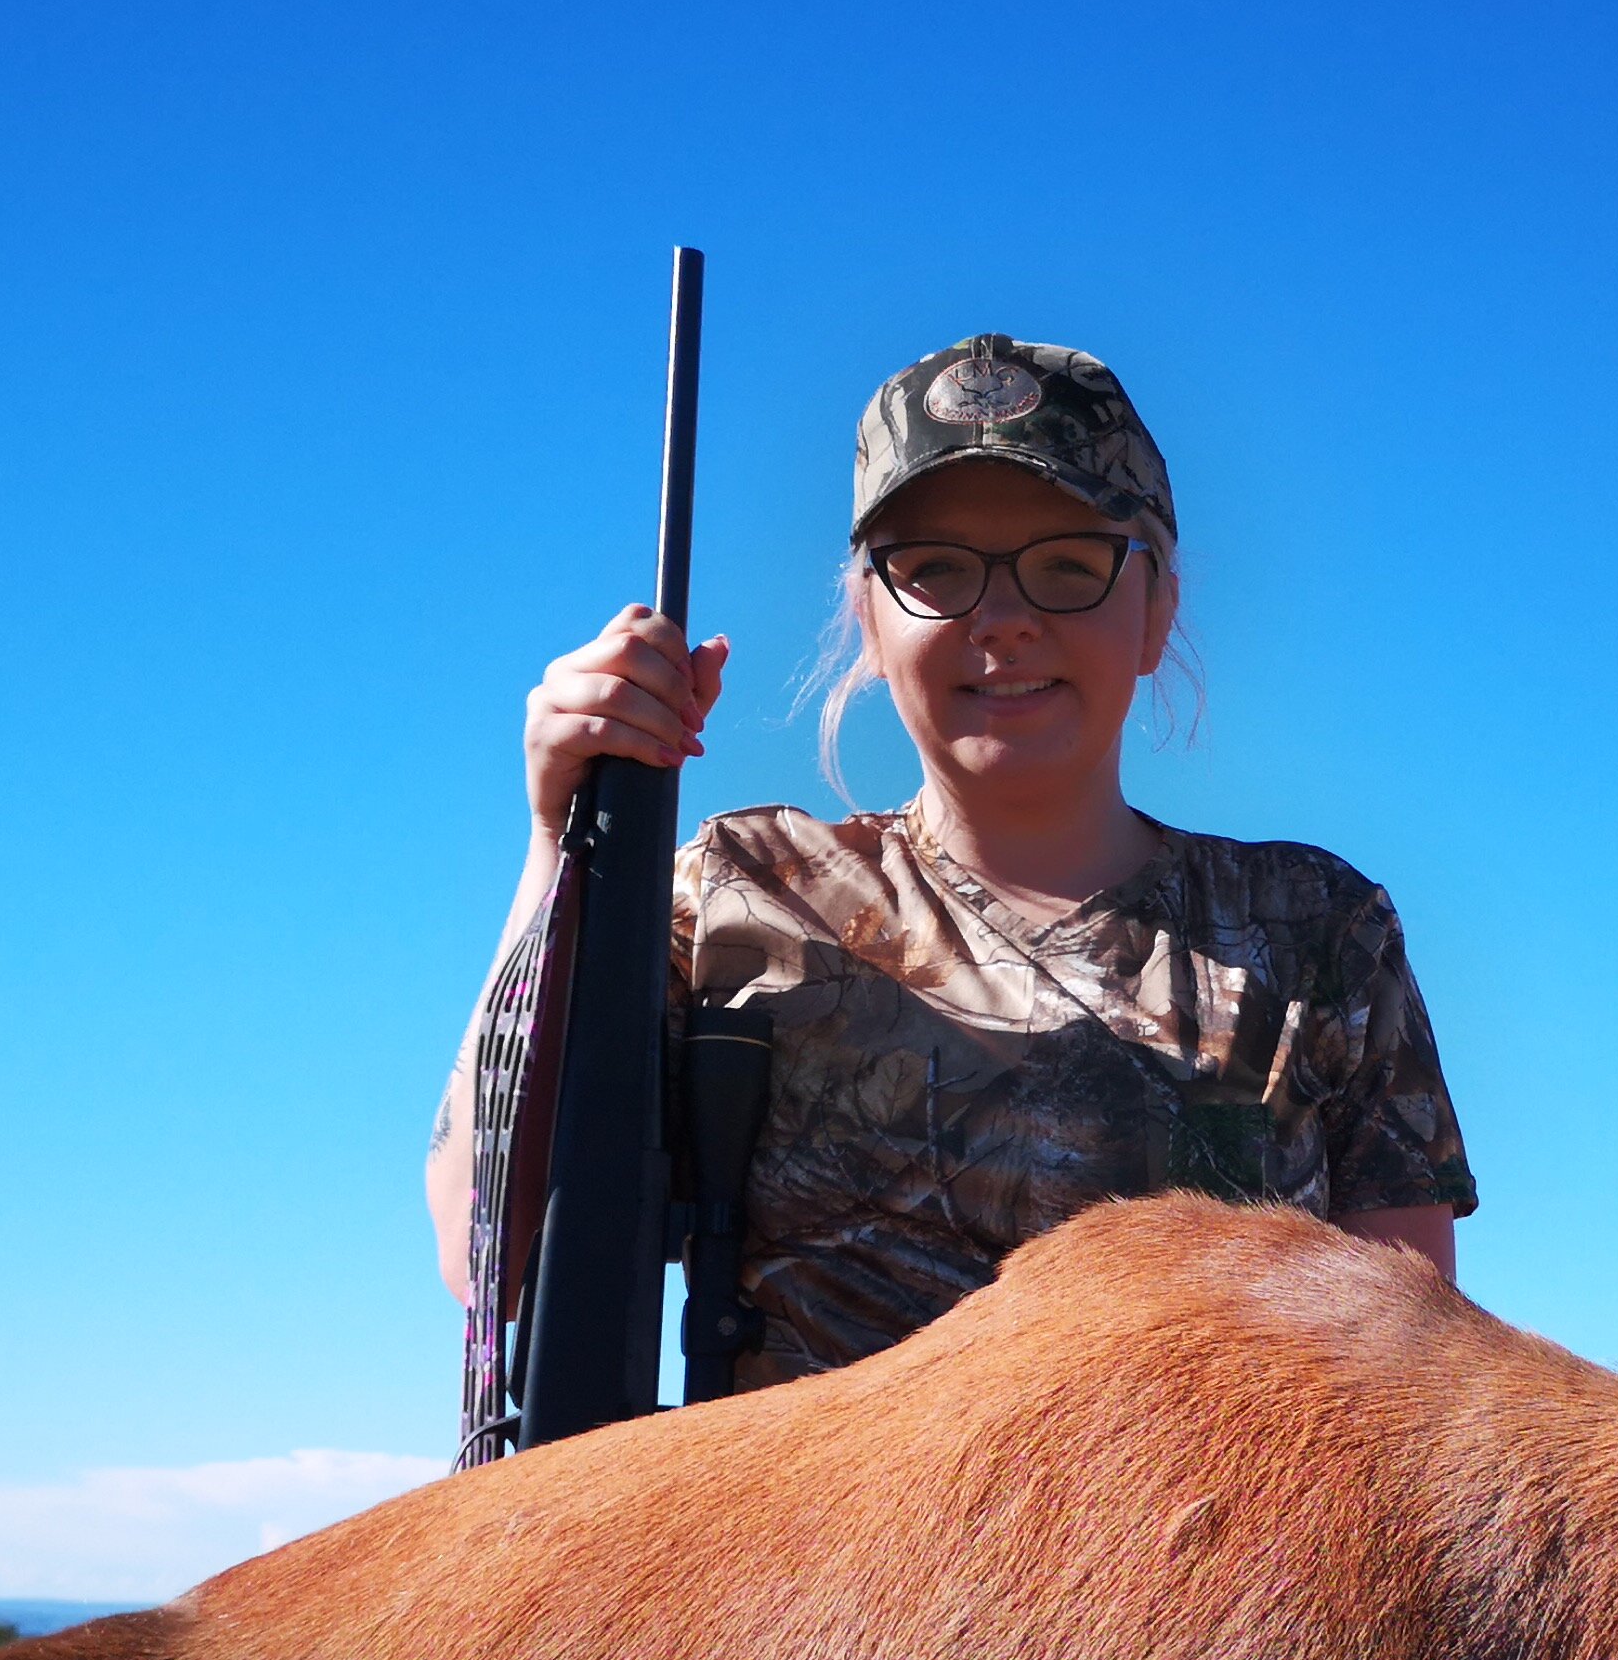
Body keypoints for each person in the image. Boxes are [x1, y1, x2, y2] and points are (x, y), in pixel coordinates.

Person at [425, 334, 1474, 1392]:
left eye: (1070, 565)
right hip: (808, 1554)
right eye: (936, 571)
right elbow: (485, 1252)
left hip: (1206, 1557)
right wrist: (567, 845)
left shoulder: (1315, 928)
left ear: (1156, 609)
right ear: (866, 618)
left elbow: (1409, 1370)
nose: (1004, 620)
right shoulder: (740, 885)